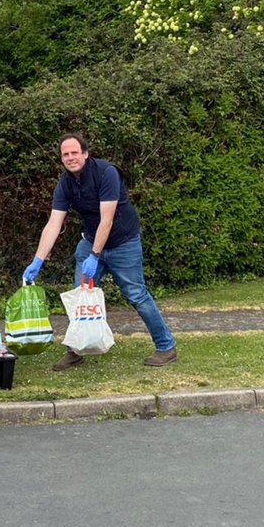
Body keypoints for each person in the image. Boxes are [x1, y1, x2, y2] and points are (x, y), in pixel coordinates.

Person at [22, 133, 177, 371]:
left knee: (136, 294)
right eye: (66, 154)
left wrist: (94, 256)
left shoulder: (107, 173)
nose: (70, 157)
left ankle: (166, 347)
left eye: (75, 152)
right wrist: (37, 261)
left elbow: (107, 219)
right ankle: (75, 351)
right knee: (79, 298)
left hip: (123, 242)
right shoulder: (65, 184)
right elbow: (54, 224)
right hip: (91, 241)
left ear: (85, 153)